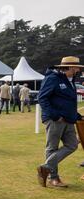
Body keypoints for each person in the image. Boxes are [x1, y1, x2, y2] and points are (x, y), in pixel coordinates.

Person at [36, 56, 83, 188]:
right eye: (76, 68)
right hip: (55, 120)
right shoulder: (53, 78)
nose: (77, 70)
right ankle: (53, 178)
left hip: (68, 119)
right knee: (52, 148)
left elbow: (68, 102)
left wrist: (77, 116)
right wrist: (55, 116)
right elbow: (42, 98)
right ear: (69, 67)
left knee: (72, 145)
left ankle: (45, 167)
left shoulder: (70, 80)